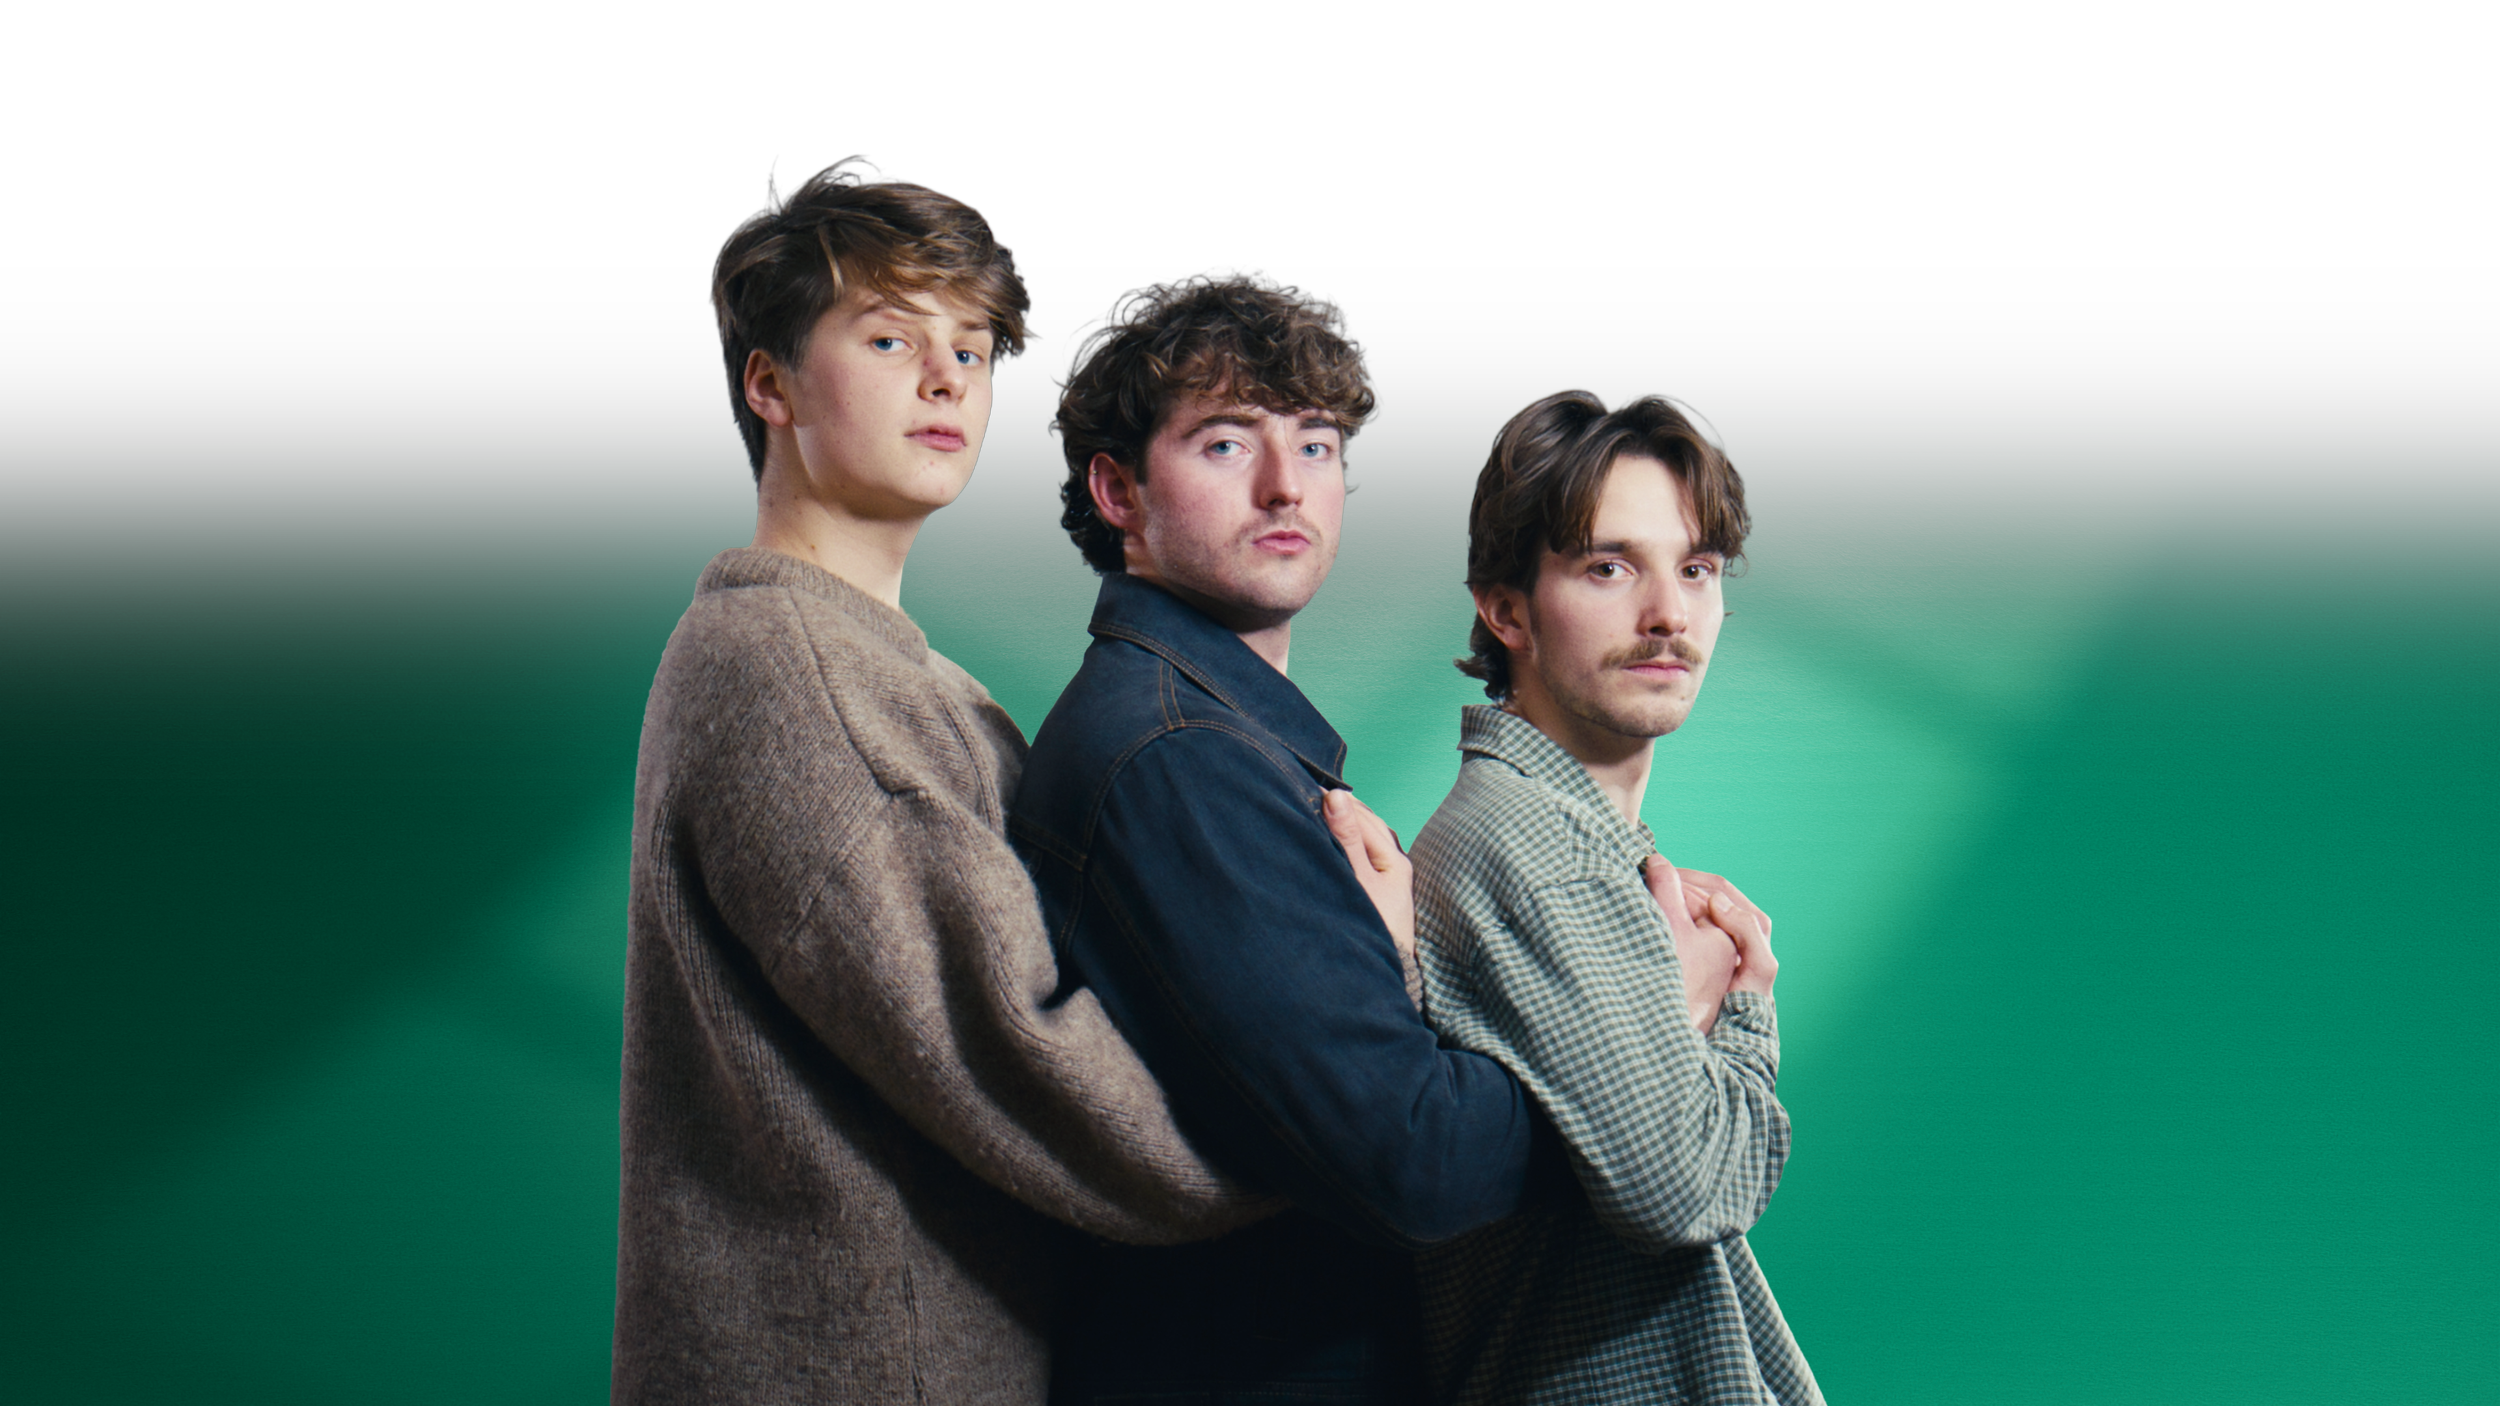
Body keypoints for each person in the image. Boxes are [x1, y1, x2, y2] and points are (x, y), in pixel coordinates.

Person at [613, 170, 1383, 1405]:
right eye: (888, 339)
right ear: (769, 384)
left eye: (969, 348)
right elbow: (1016, 1050)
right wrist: (1341, 1123)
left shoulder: (916, 680)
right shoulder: (787, 669)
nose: (945, 380)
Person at [1008, 274, 1563, 1405]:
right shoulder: (1179, 759)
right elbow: (1422, 1160)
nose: (1283, 486)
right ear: (1117, 488)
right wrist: (1649, 1027)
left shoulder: (1219, 734)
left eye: (1314, 443)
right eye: (1224, 444)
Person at [1409, 390, 1820, 1405]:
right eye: (1607, 567)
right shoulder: (1532, 847)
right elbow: (1685, 1187)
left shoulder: (1582, 843)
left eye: (1696, 569)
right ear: (1506, 607)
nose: (1668, 615)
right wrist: (1735, 1014)